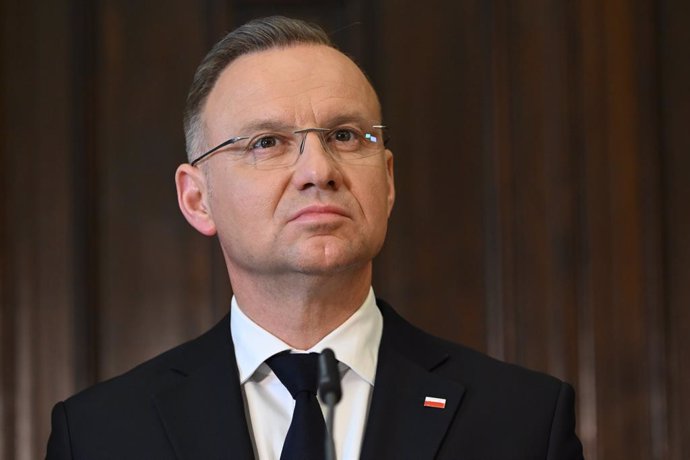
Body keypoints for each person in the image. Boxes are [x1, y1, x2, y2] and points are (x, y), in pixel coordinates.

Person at [46, 16, 584, 460]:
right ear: (196, 198)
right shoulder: (99, 435)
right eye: (267, 142)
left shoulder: (524, 421)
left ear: (388, 180)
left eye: (346, 136)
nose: (318, 170)